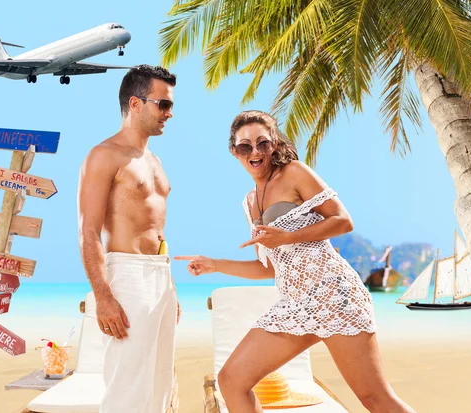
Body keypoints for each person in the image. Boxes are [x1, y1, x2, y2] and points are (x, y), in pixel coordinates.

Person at [175, 110, 415, 413]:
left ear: (275, 144)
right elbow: (269, 268)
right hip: (295, 303)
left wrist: (288, 237)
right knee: (232, 380)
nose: (255, 152)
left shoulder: (294, 172)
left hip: (334, 295)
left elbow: (343, 220)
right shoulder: (250, 202)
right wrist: (215, 264)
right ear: (234, 152)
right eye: (244, 146)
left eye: (262, 143)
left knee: (374, 398)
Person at [77, 64, 180, 413]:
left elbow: (157, 230)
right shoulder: (104, 155)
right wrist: (103, 297)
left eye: (170, 105)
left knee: (160, 383)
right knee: (128, 386)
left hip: (160, 275)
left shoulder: (155, 160)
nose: (169, 113)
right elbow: (87, 230)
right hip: (128, 275)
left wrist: (171, 288)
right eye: (162, 104)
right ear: (136, 104)